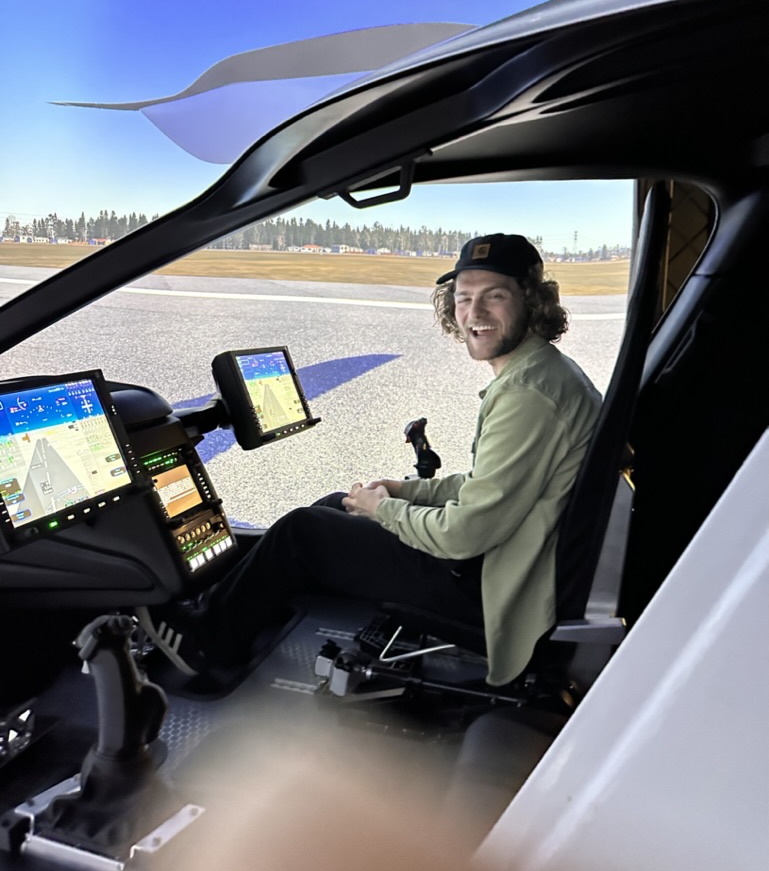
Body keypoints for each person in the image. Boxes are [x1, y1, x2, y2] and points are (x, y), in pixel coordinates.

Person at [147, 233, 601, 687]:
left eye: (494, 296)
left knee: (303, 532)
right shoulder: (540, 372)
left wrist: (383, 509)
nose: (474, 312)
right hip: (501, 560)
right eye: (464, 298)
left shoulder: (528, 395)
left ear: (531, 300)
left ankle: (205, 643)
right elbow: (487, 484)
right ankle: (231, 613)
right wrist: (405, 491)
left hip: (493, 588)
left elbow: (465, 534)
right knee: (335, 505)